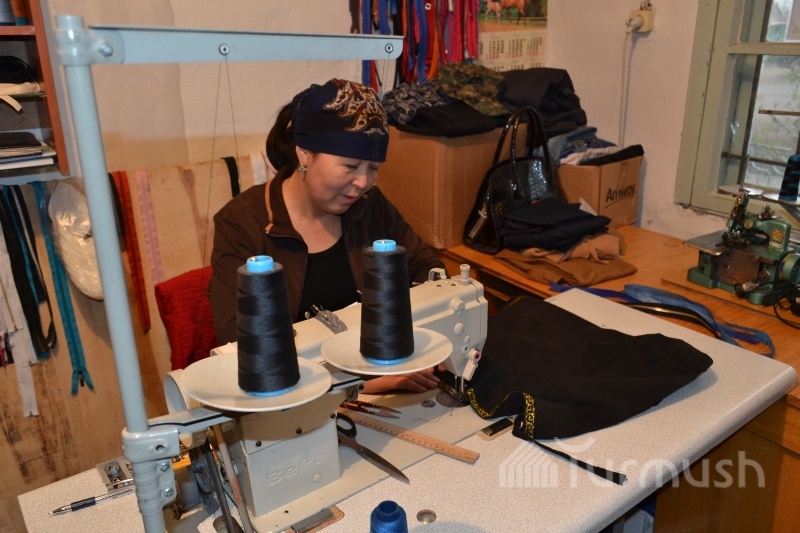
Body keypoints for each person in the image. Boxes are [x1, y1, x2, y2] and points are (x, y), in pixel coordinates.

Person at [209, 78, 443, 393]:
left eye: (373, 168)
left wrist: (422, 335)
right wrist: (361, 385)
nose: (364, 183)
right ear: (304, 154)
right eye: (350, 165)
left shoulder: (371, 206)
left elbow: (425, 268)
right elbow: (240, 343)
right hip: (292, 399)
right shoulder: (241, 223)